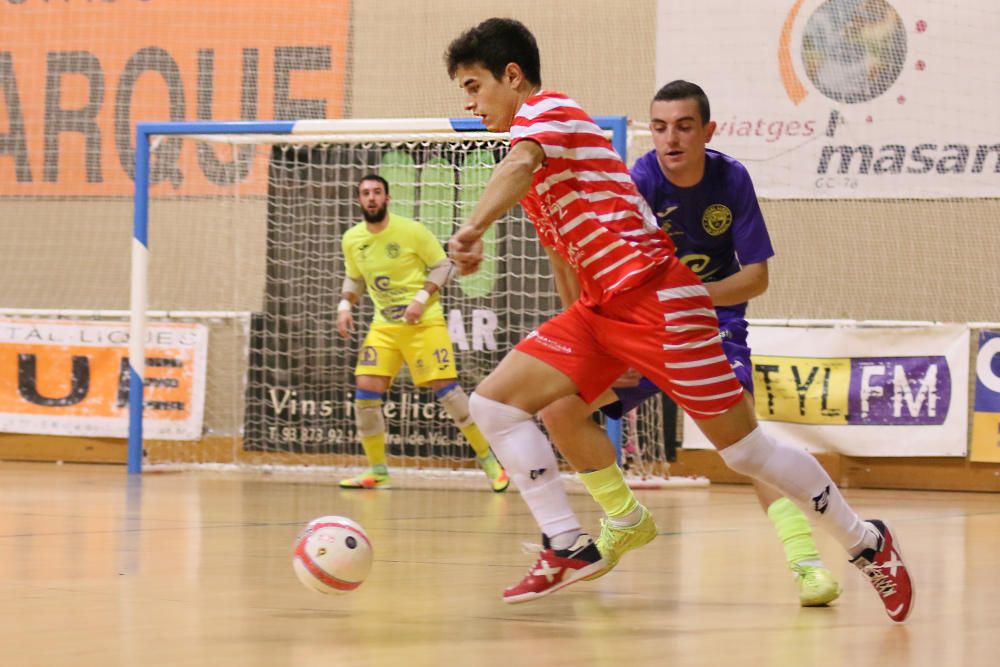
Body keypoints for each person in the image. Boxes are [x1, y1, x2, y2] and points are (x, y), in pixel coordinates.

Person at [444, 18, 913, 621]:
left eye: (475, 85)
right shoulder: (537, 172)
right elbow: (561, 253)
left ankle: (865, 541)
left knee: (746, 454)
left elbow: (517, 164)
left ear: (513, 76)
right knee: (496, 405)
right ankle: (572, 538)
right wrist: (578, 353)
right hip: (600, 310)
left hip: (657, 301)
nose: (470, 102)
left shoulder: (548, 112)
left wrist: (475, 226)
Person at [539, 80, 841, 607]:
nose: (670, 139)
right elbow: (603, 268)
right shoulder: (638, 182)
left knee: (747, 449)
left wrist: (688, 297)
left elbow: (755, 279)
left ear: (707, 131)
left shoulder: (731, 180)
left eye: (683, 126)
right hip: (643, 324)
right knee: (562, 407)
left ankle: (806, 564)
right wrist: (612, 338)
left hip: (712, 324)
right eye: (659, 127)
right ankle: (621, 520)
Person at [335, 174, 509, 493]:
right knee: (365, 391)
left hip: (424, 322)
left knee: (449, 393)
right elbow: (355, 278)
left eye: (377, 192)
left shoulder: (411, 231)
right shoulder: (352, 239)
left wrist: (419, 300)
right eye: (365, 193)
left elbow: (442, 266)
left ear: (387, 198)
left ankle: (490, 463)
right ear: (359, 200)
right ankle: (378, 471)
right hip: (384, 326)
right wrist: (344, 306)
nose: (371, 197)